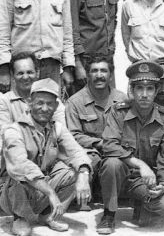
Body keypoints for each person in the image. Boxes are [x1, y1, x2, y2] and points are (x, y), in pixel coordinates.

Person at [0, 78, 91, 236]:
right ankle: (19, 218)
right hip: (15, 191)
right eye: (39, 103)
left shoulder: (56, 128)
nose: (44, 108)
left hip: (42, 186)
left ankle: (47, 215)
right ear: (29, 103)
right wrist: (51, 193)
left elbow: (76, 152)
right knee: (19, 175)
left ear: (56, 106)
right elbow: (21, 165)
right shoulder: (13, 130)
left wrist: (83, 174)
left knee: (76, 171)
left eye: (50, 104)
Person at [96, 60, 164, 234]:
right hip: (120, 177)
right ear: (132, 90)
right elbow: (109, 145)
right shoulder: (118, 112)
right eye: (139, 88)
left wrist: (163, 184)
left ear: (156, 92)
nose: (144, 94)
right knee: (111, 163)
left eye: (149, 89)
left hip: (145, 181)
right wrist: (141, 164)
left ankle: (142, 203)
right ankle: (109, 215)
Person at [0, 0, 74, 93]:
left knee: (49, 112)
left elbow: (67, 37)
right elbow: (3, 37)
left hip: (52, 69)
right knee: (20, 113)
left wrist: (68, 68)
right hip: (22, 69)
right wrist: (4, 71)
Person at [65, 55, 127, 210]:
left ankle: (120, 196)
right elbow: (73, 136)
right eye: (94, 71)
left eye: (104, 71)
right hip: (92, 151)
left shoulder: (122, 99)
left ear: (110, 74)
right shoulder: (75, 102)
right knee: (89, 160)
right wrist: (99, 143)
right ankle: (85, 198)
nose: (99, 75)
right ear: (87, 74)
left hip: (116, 150)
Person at [0, 52, 65, 127]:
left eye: (29, 72)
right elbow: (4, 133)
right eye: (20, 73)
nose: (25, 77)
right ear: (13, 75)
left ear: (37, 73)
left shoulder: (52, 100)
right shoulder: (4, 101)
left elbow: (61, 132)